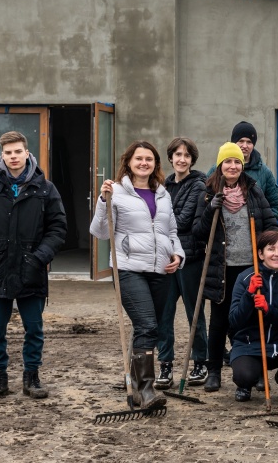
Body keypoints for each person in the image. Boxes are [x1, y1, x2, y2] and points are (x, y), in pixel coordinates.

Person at [0, 131, 66, 402]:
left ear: (27, 153)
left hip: (31, 270)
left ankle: (31, 378)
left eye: (18, 151)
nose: (13, 157)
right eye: (8, 153)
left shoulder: (45, 189)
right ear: (2, 155)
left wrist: (38, 258)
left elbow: (57, 228)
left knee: (34, 328)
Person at [89, 140, 185, 410]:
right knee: (147, 326)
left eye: (149, 159)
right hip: (129, 269)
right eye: (139, 158)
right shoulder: (116, 192)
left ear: (155, 164)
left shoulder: (163, 194)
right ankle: (146, 391)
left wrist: (177, 255)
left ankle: (136, 387)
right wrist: (102, 201)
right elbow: (101, 232)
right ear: (128, 162)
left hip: (161, 270)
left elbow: (171, 232)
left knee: (149, 329)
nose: (144, 163)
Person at [193, 142, 278, 392]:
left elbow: (270, 223)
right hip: (221, 268)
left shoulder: (253, 191)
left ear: (242, 166)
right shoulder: (208, 193)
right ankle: (214, 371)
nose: (233, 166)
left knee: (252, 318)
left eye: (237, 162)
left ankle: (260, 369)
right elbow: (199, 232)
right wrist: (211, 210)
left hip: (249, 268)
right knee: (219, 322)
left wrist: (268, 253)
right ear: (220, 165)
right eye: (228, 162)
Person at [154, 137, 209, 389]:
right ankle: (165, 366)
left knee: (193, 313)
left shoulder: (199, 185)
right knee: (164, 314)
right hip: (164, 259)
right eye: (177, 154)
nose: (181, 159)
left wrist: (159, 220)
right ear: (171, 158)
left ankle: (200, 362)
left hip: (190, 258)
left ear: (192, 160)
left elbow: (184, 220)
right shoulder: (163, 186)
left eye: (186, 155)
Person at [228, 231, 278, 402]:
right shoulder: (245, 277)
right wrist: (249, 295)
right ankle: (245, 384)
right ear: (261, 254)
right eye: (271, 249)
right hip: (249, 342)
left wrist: (268, 309)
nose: (277, 254)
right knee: (244, 375)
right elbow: (234, 321)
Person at [208, 121, 278, 219]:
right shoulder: (217, 170)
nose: (245, 146)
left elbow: (276, 206)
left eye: (249, 142)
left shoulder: (264, 172)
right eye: (241, 141)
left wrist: (260, 223)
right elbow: (204, 202)